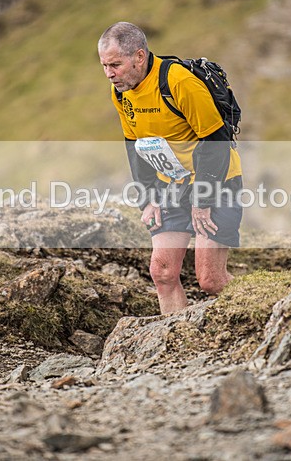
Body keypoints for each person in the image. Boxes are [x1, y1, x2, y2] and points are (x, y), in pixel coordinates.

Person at [98, 22, 243, 314]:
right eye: (104, 66)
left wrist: (202, 200)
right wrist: (148, 198)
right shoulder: (121, 92)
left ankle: (268, 300)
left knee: (211, 280)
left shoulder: (179, 82)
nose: (109, 74)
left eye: (115, 65)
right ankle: (175, 337)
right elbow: (135, 145)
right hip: (172, 184)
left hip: (216, 180)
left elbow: (216, 141)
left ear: (139, 56)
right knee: (162, 273)